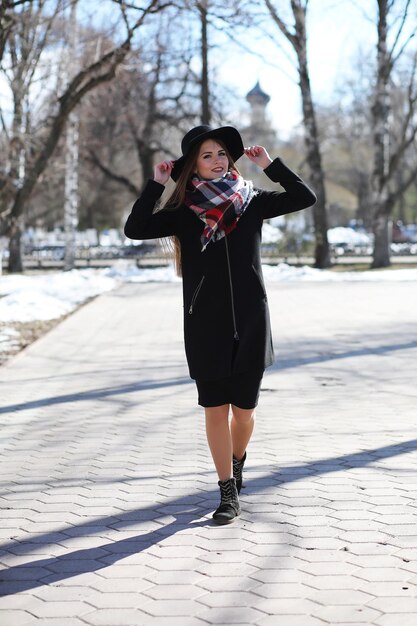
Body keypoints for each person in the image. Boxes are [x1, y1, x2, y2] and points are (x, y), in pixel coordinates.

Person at [124, 125, 316, 525]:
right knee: (215, 410)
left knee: (244, 412)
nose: (216, 160)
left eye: (222, 154)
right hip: (204, 325)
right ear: (193, 165)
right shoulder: (182, 213)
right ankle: (227, 492)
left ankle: (238, 458)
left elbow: (304, 196)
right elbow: (135, 228)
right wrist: (157, 184)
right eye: (207, 155)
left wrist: (269, 166)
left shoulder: (252, 202)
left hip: (250, 320)